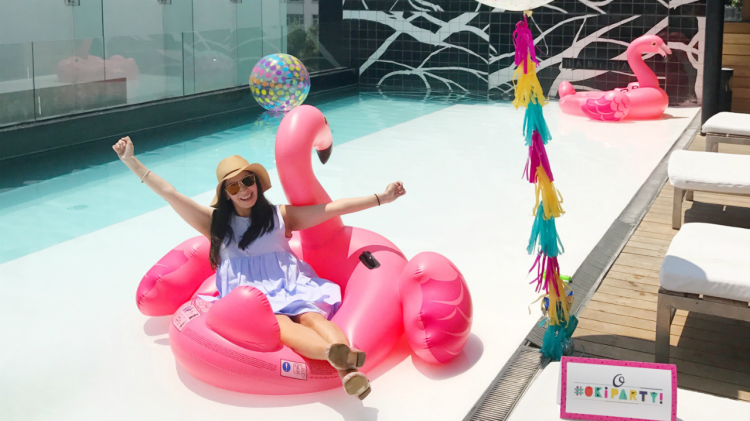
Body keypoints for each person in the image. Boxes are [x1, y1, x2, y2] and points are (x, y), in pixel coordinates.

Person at [113, 136, 406, 400]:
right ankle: (342, 364)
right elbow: (170, 193)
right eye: (233, 186)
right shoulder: (215, 223)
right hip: (254, 300)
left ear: (257, 182)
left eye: (247, 181)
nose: (243, 190)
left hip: (290, 286)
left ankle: (342, 363)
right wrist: (131, 162)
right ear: (226, 194)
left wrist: (381, 198)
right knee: (283, 326)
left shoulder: (280, 216)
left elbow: (331, 209)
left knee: (311, 319)